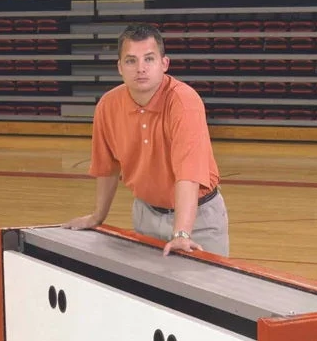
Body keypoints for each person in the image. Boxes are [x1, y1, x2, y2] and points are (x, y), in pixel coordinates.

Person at [64, 23, 229, 257]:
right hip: (145, 215)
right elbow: (107, 168)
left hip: (199, 220)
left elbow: (188, 175)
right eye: (131, 61)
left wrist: (182, 233)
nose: (140, 68)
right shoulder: (108, 105)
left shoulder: (184, 103)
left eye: (149, 59)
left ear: (164, 64)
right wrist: (97, 216)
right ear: (120, 67)